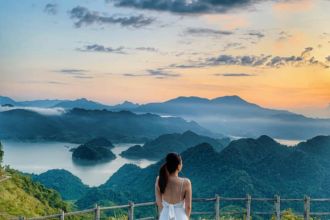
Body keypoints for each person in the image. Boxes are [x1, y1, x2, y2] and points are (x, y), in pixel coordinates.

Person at [155, 152, 192, 220]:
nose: (182, 165)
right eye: (181, 163)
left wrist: (163, 215)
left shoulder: (159, 180)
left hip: (164, 216)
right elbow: (188, 207)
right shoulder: (186, 182)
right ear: (178, 166)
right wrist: (187, 217)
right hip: (181, 217)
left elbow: (159, 203)